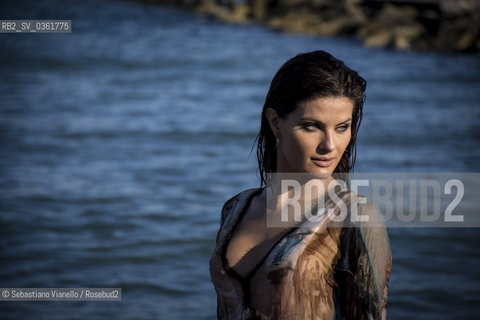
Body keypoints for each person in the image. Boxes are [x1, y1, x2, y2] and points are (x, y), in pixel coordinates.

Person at [209, 50, 392, 320]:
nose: (330, 145)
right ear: (275, 122)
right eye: (311, 126)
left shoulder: (357, 217)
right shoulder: (236, 208)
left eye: (342, 127)